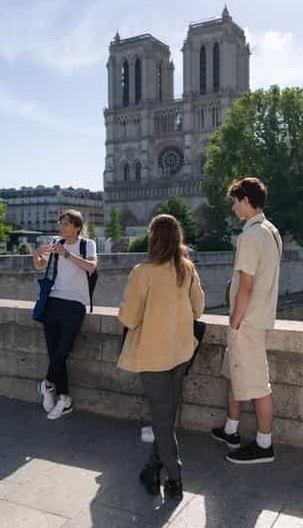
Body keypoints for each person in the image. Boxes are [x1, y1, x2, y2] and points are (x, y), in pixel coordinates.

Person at [117, 214, 205, 500]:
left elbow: (129, 317)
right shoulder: (187, 268)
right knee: (166, 417)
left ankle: (175, 478)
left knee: (162, 419)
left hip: (153, 357)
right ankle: (151, 468)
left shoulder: (143, 271)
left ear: (154, 238)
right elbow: (199, 308)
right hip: (180, 352)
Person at [211, 177, 282, 464]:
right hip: (258, 316)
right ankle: (231, 430)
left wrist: (236, 321)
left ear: (246, 201)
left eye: (235, 200)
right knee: (235, 374)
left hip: (247, 321)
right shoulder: (271, 230)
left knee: (257, 384)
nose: (232, 206)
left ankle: (265, 445)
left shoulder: (251, 236)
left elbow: (248, 285)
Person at [32, 210, 98, 420]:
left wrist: (67, 254)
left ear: (77, 226)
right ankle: (63, 399)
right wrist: (37, 254)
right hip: (53, 301)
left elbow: (91, 267)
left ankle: (46, 384)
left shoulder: (87, 244)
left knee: (63, 350)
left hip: (75, 303)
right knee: (54, 354)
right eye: (61, 224)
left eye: (66, 224)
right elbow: (41, 266)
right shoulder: (55, 242)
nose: (62, 228)